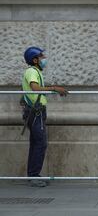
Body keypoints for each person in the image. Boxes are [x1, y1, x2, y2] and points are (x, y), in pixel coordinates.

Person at [22, 46, 67, 187]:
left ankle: (33, 174)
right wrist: (54, 88)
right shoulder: (31, 71)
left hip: (37, 112)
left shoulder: (35, 71)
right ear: (34, 60)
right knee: (40, 143)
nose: (43, 59)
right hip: (35, 112)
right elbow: (35, 88)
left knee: (36, 143)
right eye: (41, 56)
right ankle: (34, 176)